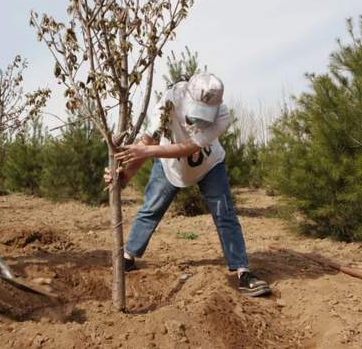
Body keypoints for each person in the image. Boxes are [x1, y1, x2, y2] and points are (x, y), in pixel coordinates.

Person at [105, 72, 271, 297]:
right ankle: (128, 257)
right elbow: (147, 141)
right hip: (169, 167)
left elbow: (189, 148)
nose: (198, 121)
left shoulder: (222, 116)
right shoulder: (171, 99)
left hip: (210, 166)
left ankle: (243, 272)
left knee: (225, 214)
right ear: (187, 97)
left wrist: (147, 151)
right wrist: (124, 177)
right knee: (151, 209)